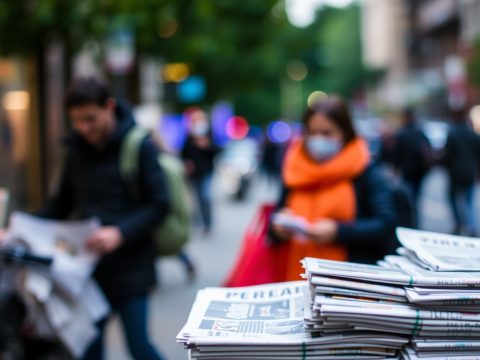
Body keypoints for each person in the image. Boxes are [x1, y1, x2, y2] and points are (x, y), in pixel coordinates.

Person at [39, 77, 169, 360]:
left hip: (132, 268)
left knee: (139, 346)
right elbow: (61, 204)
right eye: (77, 121)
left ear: (109, 107)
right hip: (88, 270)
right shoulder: (76, 151)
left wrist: (120, 232)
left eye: (90, 119)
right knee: (87, 348)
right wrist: (19, 227)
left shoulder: (139, 145)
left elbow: (160, 205)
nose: (84, 128)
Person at [271, 96, 396, 279]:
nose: (317, 139)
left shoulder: (364, 171)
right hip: (294, 278)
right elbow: (274, 221)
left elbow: (386, 225)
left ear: (345, 133)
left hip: (350, 283)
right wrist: (278, 228)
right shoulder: (293, 169)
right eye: (312, 132)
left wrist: (339, 232)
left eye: (327, 133)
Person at [442, 108, 480, 236]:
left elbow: (447, 155)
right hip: (469, 173)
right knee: (469, 201)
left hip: (455, 173)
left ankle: (459, 223)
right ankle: (471, 226)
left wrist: (443, 165)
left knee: (453, 199)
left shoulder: (452, 133)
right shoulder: (473, 134)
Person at [181, 108, 219, 235]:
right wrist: (187, 162)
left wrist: (206, 146)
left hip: (206, 171)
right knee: (197, 199)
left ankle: (207, 224)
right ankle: (200, 222)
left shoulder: (209, 133)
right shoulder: (189, 135)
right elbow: (183, 153)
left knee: (205, 197)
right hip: (194, 173)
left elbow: (215, 151)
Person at [391, 109, 433, 208]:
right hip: (420, 171)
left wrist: (395, 169)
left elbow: (396, 155)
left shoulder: (402, 133)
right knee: (415, 196)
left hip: (408, 171)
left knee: (409, 197)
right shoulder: (420, 132)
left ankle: (412, 215)